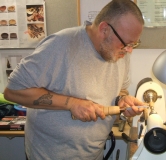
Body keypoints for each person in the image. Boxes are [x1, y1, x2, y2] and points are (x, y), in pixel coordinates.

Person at [4, 0, 145, 159]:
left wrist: (122, 100)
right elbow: (13, 91)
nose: (129, 50)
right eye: (126, 43)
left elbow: (120, 88)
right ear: (104, 29)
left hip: (93, 154)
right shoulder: (60, 45)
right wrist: (71, 104)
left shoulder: (120, 53)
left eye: (134, 44)